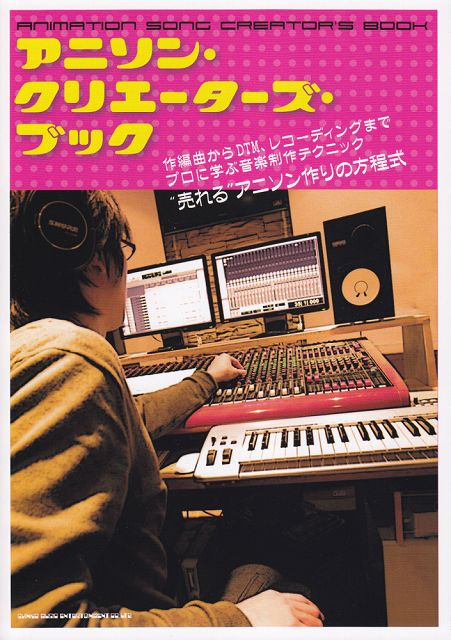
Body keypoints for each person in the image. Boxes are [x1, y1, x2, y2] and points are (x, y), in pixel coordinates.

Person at [10, 190, 324, 628]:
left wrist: (206, 379)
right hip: (151, 614)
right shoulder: (68, 353)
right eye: (123, 252)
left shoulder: (30, 350)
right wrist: (235, 621)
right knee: (291, 563)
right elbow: (37, 623)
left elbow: (133, 418)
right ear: (96, 262)